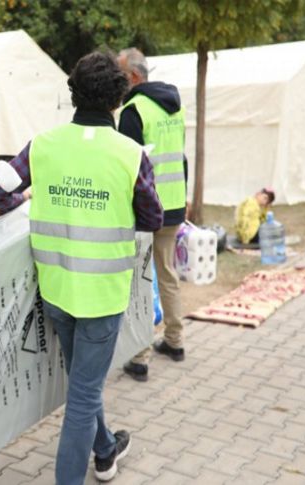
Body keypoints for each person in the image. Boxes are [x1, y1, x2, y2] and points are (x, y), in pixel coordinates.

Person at [0, 51, 163, 484]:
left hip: (57, 290)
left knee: (83, 383)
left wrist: (23, 201)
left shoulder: (42, 146)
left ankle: (104, 451)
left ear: (73, 94)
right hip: (102, 297)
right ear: (118, 99)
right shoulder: (130, 154)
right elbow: (153, 219)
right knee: (83, 397)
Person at [117, 48, 188, 382]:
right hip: (174, 204)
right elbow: (181, 158)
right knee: (168, 274)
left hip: (147, 210)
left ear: (133, 77)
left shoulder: (133, 110)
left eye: (120, 75)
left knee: (141, 283)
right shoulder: (176, 107)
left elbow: (127, 166)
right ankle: (174, 341)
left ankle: (140, 356)